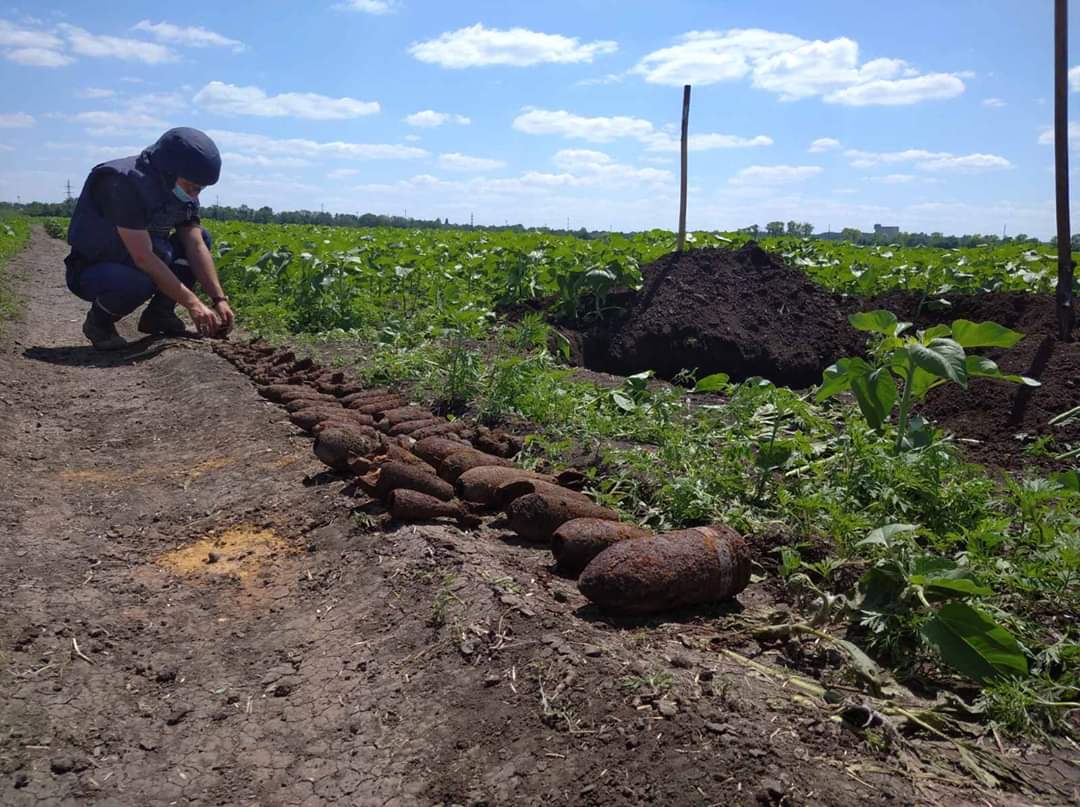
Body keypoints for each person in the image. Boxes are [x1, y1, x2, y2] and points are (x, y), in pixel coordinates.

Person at [65, 127, 235, 350]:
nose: (195, 195)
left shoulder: (179, 188)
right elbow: (143, 257)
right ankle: (100, 323)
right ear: (167, 171)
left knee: (201, 236)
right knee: (139, 281)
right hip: (96, 269)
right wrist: (193, 304)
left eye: (200, 189)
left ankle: (160, 315)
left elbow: (195, 244)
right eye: (191, 187)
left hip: (141, 261)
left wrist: (218, 299)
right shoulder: (123, 182)